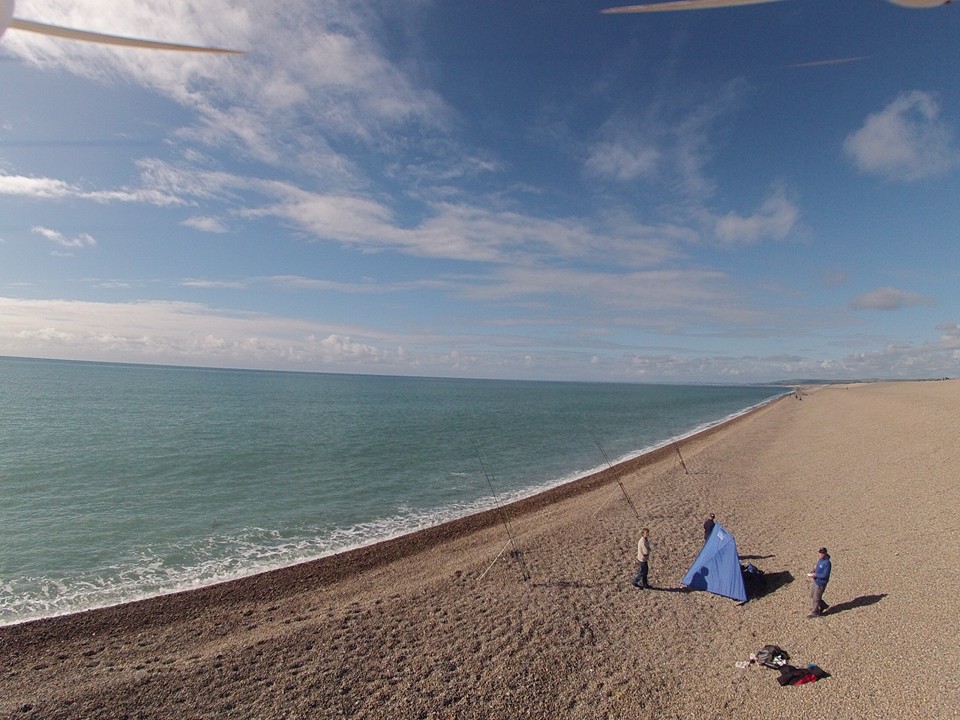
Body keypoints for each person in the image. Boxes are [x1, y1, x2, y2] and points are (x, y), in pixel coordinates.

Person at [806, 547, 832, 617]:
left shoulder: (827, 563)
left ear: (825, 553)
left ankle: (815, 612)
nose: (820, 554)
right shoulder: (820, 560)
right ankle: (823, 605)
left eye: (822, 553)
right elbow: (816, 568)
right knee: (812, 595)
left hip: (821, 583)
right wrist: (813, 572)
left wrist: (816, 575)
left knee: (816, 598)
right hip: (816, 580)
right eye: (820, 553)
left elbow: (825, 575)